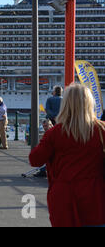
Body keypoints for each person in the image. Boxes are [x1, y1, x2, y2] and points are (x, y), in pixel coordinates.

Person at [29, 84, 105, 227]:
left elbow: (35, 159)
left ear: (66, 104)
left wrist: (47, 137)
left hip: (64, 198)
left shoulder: (55, 133)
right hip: (95, 197)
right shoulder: (101, 130)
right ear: (90, 103)